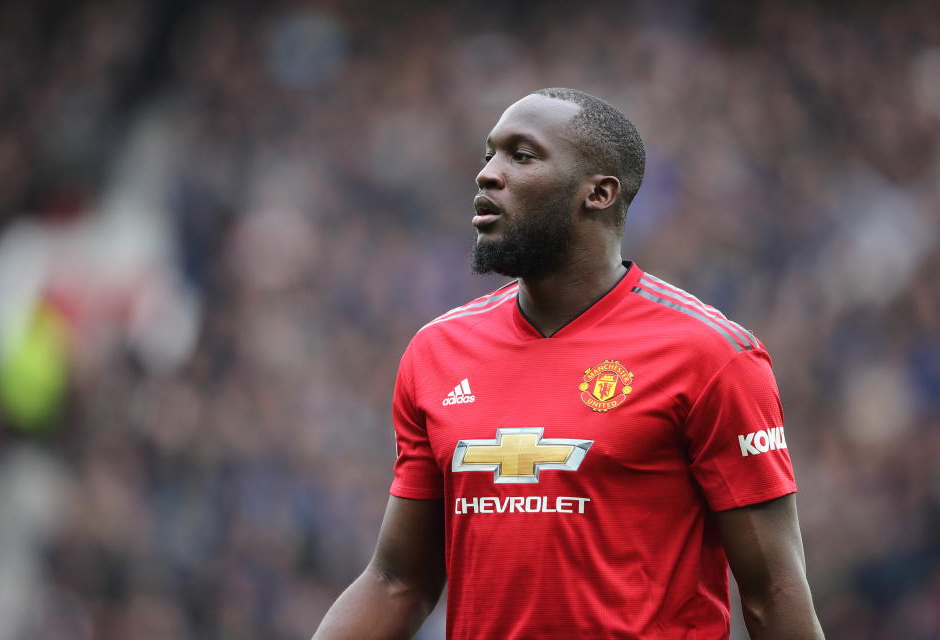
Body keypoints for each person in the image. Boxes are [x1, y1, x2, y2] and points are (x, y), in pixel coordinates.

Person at [313, 88, 825, 639]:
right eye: (489, 155)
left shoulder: (712, 356)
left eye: (521, 155)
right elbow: (397, 581)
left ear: (599, 193)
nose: (487, 174)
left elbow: (774, 594)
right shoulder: (436, 352)